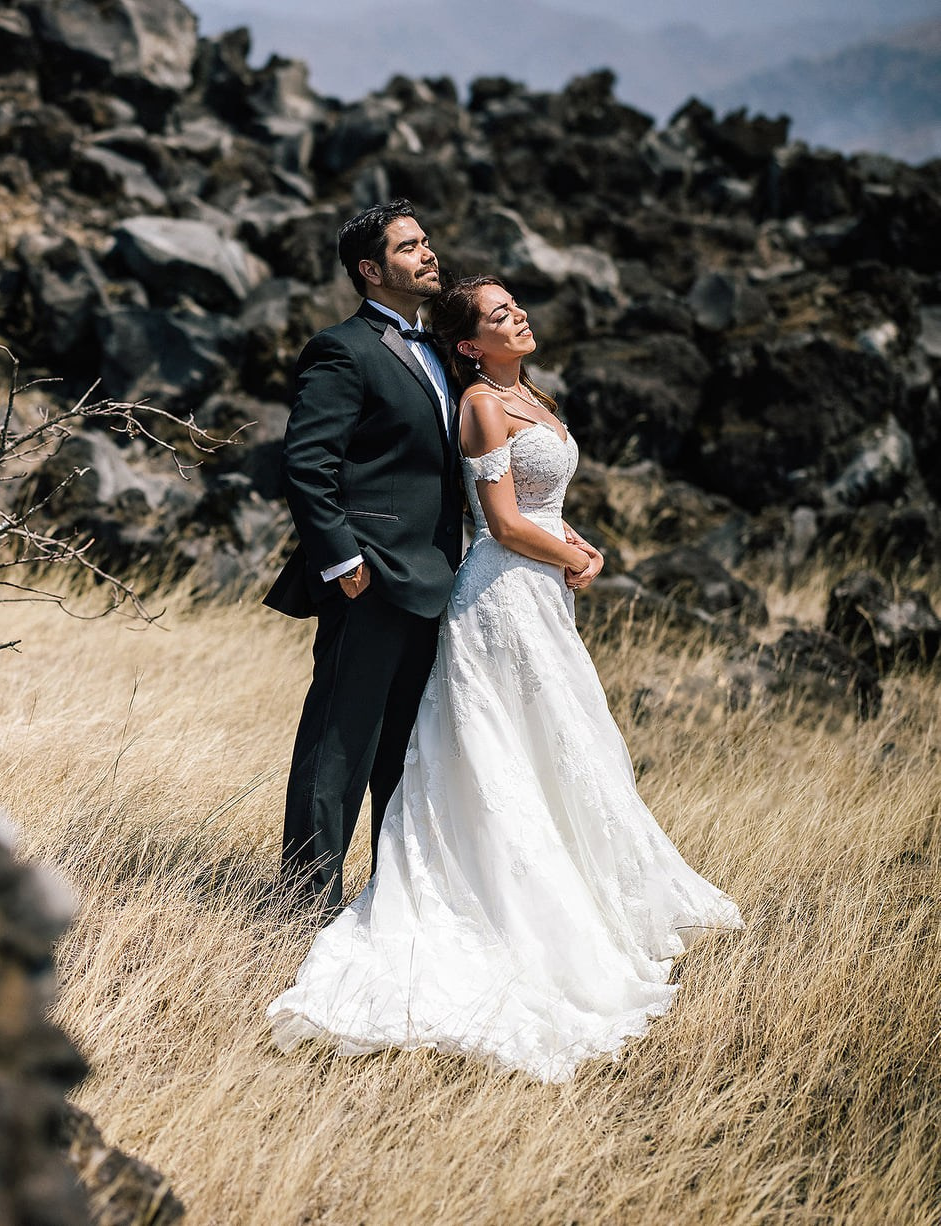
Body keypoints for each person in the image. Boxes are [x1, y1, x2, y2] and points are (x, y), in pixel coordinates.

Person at [265, 276, 743, 1082]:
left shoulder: (532, 394)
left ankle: (590, 889)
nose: (517, 315)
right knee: (483, 748)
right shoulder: (482, 402)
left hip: (536, 591)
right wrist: (576, 556)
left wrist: (572, 543)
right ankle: (360, 899)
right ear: (470, 344)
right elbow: (505, 521)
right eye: (497, 315)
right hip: (501, 593)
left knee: (561, 744)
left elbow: (539, 500)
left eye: (515, 305)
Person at [264, 199, 465, 909]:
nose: (429, 254)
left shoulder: (440, 351)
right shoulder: (342, 349)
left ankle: (394, 903)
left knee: (407, 754)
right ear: (371, 270)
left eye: (427, 240)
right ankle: (302, 905)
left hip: (438, 582)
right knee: (339, 746)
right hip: (371, 580)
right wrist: (343, 562)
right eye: (410, 247)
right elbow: (307, 463)